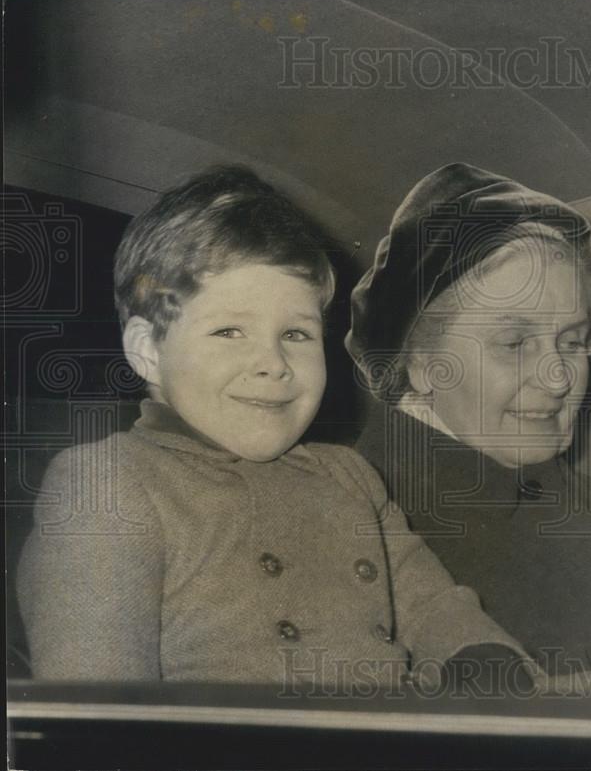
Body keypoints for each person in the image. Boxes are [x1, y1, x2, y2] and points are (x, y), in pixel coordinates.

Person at [17, 166, 534, 691]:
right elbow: (96, 707)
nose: (273, 363)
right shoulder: (107, 483)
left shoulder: (348, 475)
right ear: (148, 351)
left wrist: (489, 666)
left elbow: (432, 606)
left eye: (295, 334)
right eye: (229, 331)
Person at [346, 163, 591, 684]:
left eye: (573, 341)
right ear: (422, 363)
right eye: (514, 343)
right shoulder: (348, 522)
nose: (558, 377)